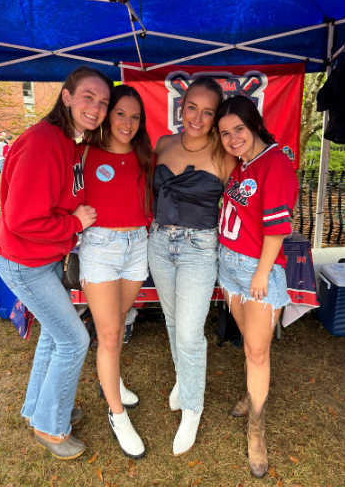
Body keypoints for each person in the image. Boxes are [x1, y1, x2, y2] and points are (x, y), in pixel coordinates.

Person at [0, 66, 111, 461]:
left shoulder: (66, 140)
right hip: (25, 263)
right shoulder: (43, 143)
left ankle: (40, 409)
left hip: (40, 260)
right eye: (87, 97)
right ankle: (50, 426)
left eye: (103, 101)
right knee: (74, 340)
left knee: (54, 335)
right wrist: (75, 223)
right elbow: (23, 219)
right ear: (66, 96)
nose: (96, 107)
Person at [147, 76, 236, 456]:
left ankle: (193, 409)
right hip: (158, 242)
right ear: (181, 107)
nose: (198, 118)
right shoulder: (163, 144)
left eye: (208, 112)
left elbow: (241, 208)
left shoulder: (225, 155)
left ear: (217, 117)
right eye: (192, 108)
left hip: (200, 248)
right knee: (171, 321)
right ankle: (184, 381)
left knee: (189, 333)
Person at [215, 96, 298, 478]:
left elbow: (278, 228)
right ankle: (252, 395)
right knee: (250, 342)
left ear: (255, 125)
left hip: (256, 271)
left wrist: (263, 273)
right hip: (229, 267)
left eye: (239, 129)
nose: (232, 138)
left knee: (257, 350)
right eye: (225, 133)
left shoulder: (275, 162)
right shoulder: (242, 164)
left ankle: (256, 430)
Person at [77, 84, 154, 459]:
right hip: (100, 249)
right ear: (107, 115)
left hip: (137, 245)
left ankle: (114, 381)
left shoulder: (145, 157)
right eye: (120, 113)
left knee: (119, 321)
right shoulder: (84, 152)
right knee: (108, 335)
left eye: (135, 116)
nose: (127, 122)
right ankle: (117, 414)